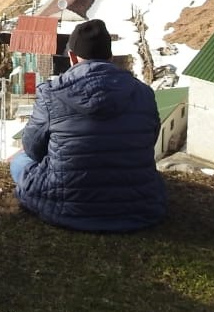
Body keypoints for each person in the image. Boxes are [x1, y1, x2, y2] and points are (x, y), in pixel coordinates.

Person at [10, 19, 167, 232]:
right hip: (139, 207)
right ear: (110, 57)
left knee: (20, 160)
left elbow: (32, 149)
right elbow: (150, 139)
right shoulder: (143, 93)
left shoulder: (51, 93)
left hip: (66, 205)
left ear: (72, 57)